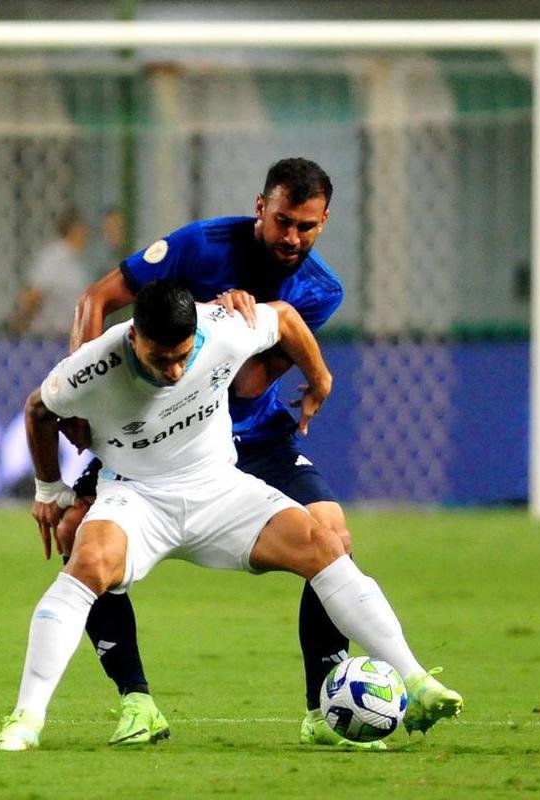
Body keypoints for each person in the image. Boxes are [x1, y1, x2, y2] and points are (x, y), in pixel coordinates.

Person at [0, 280, 462, 751]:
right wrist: (49, 490)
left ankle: (417, 682)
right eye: (160, 359)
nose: (174, 371)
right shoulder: (93, 366)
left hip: (219, 489)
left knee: (324, 544)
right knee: (87, 564)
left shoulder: (221, 328)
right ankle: (26, 720)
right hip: (137, 496)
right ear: (134, 338)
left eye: (182, 356)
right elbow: (38, 410)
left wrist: (319, 378)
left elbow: (286, 319)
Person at [59, 158, 378, 749]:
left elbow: (248, 386)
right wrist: (85, 393)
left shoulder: (320, 291)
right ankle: (136, 703)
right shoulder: (201, 245)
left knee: (333, 536)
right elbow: (96, 297)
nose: (292, 237)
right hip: (159, 436)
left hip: (250, 436)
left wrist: (226, 322)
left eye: (306, 226)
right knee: (76, 534)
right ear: (261, 207)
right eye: (282, 221)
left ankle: (323, 710)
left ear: (324, 221)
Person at [10, 209, 91, 337]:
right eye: (83, 229)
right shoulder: (53, 257)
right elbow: (34, 295)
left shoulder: (78, 260)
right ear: (73, 230)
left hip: (69, 335)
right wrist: (17, 326)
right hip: (48, 335)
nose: (87, 234)